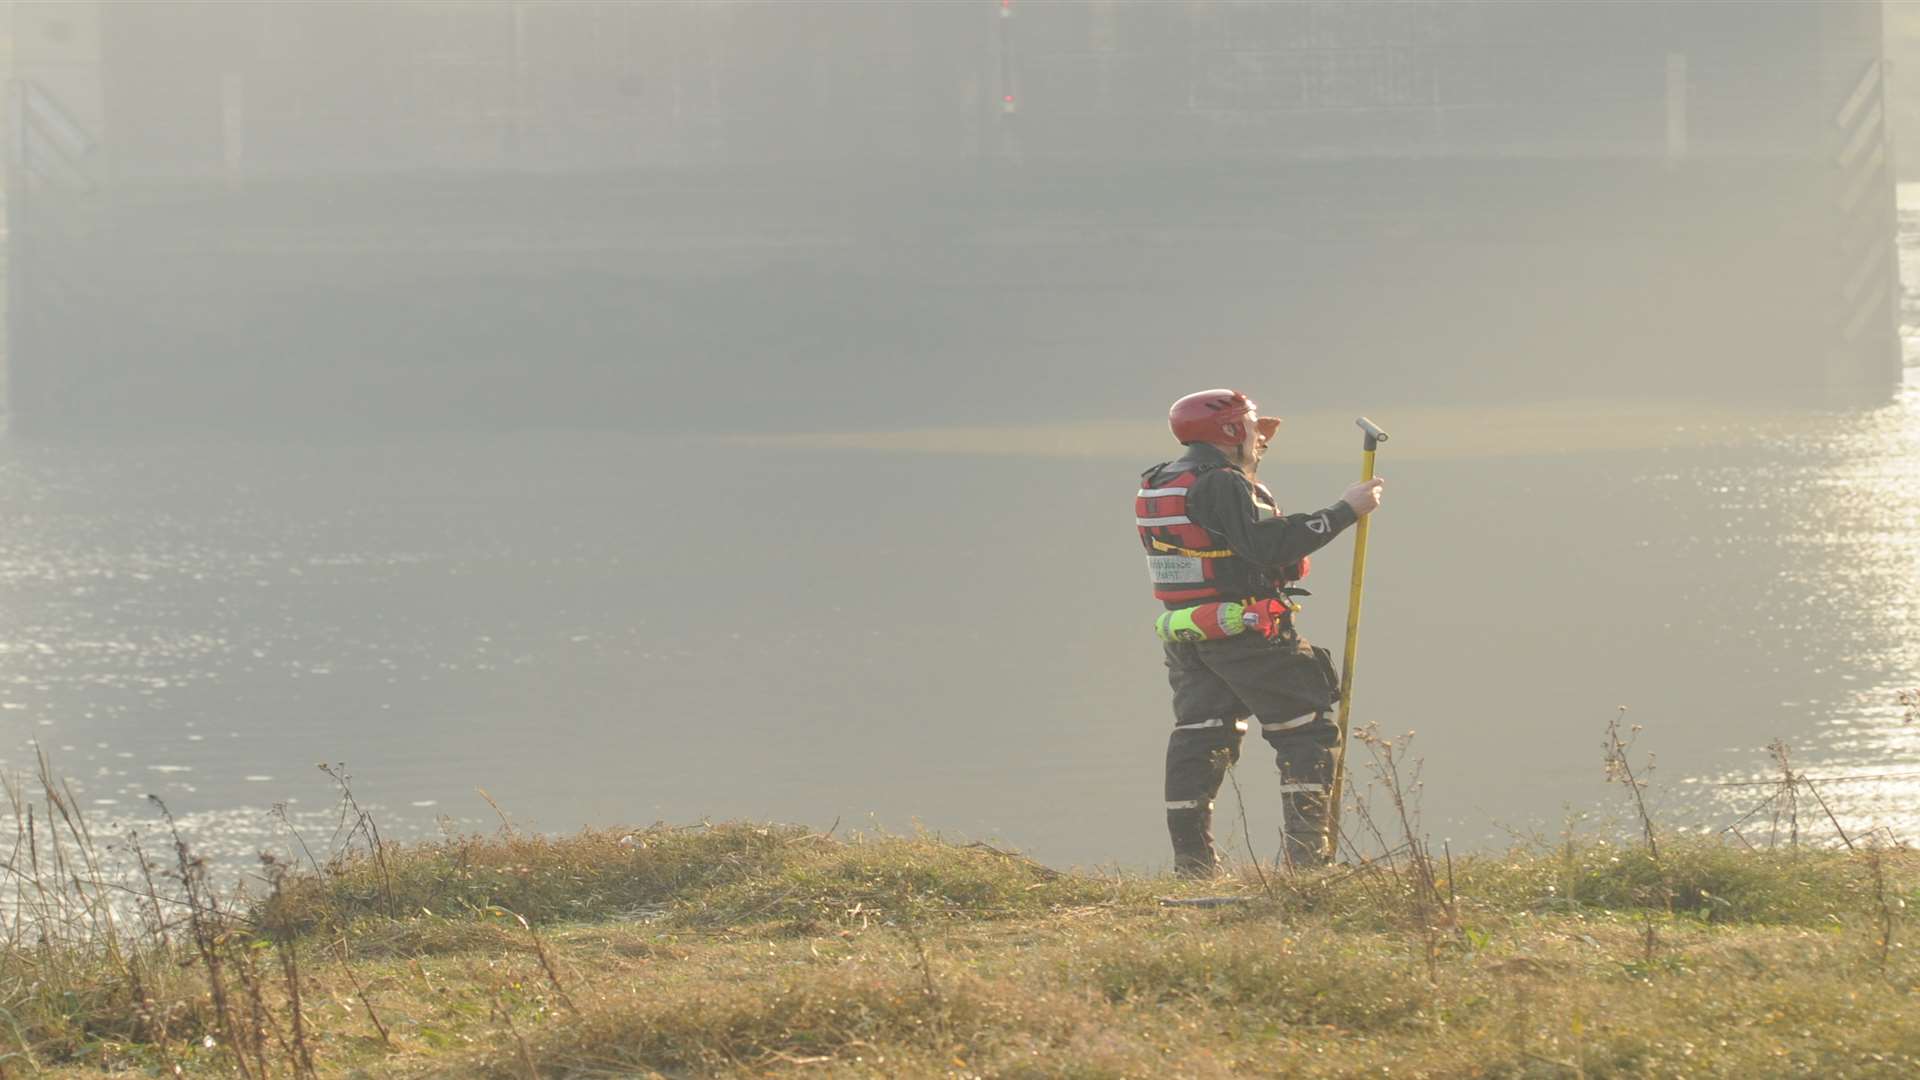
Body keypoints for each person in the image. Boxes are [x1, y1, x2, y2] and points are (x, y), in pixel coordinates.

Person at [1137, 389, 1384, 875]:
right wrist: (1344, 511)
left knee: (1200, 736)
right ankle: (1306, 864)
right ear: (1229, 433)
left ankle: (1192, 866)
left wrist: (1249, 449)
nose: (1260, 435)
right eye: (1251, 426)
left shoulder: (1162, 479)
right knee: (1306, 733)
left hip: (1188, 632)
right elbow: (1265, 545)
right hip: (1248, 631)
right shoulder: (1221, 482)